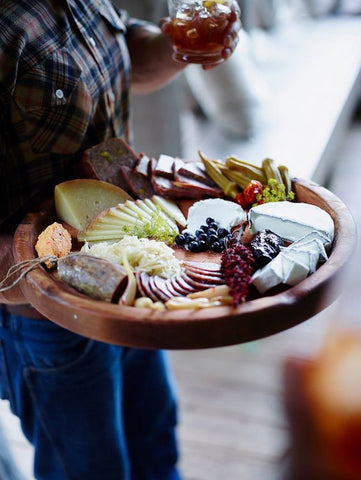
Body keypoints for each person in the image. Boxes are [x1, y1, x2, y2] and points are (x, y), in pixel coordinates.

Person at [0, 1, 240, 479]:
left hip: (131, 274)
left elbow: (119, 48)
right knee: (90, 470)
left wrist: (179, 46)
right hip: (47, 314)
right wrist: (36, 266)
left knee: (155, 439)